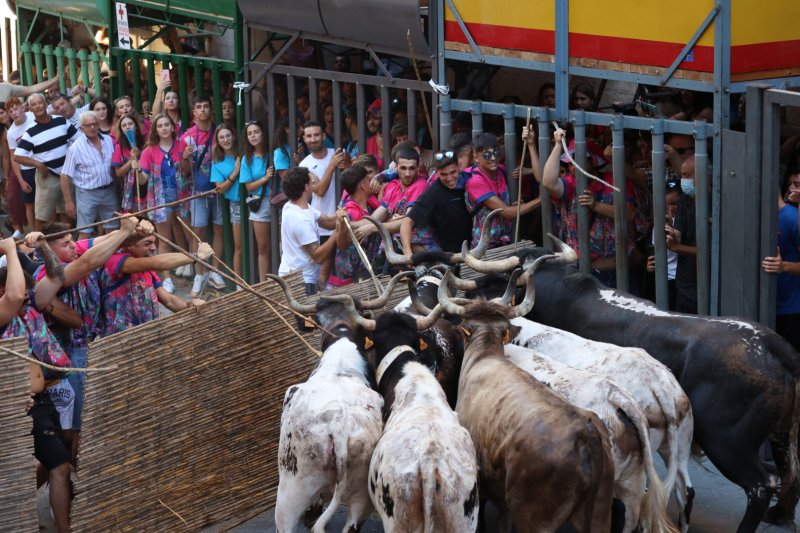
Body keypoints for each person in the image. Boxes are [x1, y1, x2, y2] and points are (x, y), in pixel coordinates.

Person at [97, 230, 212, 336]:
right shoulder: (116, 260)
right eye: (147, 243)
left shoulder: (147, 268)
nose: (153, 247)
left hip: (146, 335)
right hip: (119, 339)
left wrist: (191, 306)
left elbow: (169, 301)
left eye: (154, 242)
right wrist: (197, 256)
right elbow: (158, 262)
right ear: (130, 244)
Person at [136, 112, 192, 294]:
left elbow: (187, 172)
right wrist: (137, 171)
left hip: (182, 196)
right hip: (161, 200)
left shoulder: (181, 145)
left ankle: (186, 262)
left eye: (166, 125)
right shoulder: (148, 151)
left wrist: (185, 158)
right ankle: (166, 278)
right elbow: (143, 180)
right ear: (155, 130)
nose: (164, 129)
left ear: (172, 127)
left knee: (184, 232)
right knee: (165, 239)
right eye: (160, 126)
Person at [13, 93, 79, 228]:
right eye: (34, 104)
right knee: (42, 217)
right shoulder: (30, 132)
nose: (38, 106)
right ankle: (37, 246)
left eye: (40, 103)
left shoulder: (61, 121)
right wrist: (37, 164)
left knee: (67, 214)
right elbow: (17, 156)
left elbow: (79, 140)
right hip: (48, 177)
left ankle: (65, 244)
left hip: (66, 175)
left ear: (45, 104)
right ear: (30, 109)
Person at [182, 96, 226, 295]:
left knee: (218, 228)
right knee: (197, 232)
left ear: (211, 110)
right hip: (198, 191)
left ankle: (214, 270)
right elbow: (183, 171)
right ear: (194, 113)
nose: (202, 110)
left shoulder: (220, 133)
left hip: (219, 188)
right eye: (198, 106)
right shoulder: (188, 137)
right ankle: (199, 273)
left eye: (206, 106)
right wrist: (184, 158)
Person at [466, 132, 539, 249]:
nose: (493, 158)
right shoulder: (475, 181)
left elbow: (540, 176)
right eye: (486, 155)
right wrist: (540, 200)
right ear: (476, 157)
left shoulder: (501, 170)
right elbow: (507, 213)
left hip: (505, 241)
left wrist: (531, 147)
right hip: (485, 247)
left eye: (496, 152)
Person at [278, 167, 342, 295]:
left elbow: (329, 222)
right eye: (311, 180)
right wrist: (336, 235)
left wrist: (342, 211)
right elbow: (317, 256)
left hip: (292, 277)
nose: (314, 182)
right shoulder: (301, 220)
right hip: (300, 283)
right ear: (306, 187)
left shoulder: (293, 205)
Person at [299, 120, 347, 284]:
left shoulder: (337, 153)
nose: (313, 139)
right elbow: (319, 190)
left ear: (324, 136)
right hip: (322, 223)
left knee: (343, 271)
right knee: (324, 273)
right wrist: (332, 166)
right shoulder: (304, 165)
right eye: (309, 136)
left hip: (345, 218)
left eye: (316, 135)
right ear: (304, 139)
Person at [400, 150, 473, 255]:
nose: (450, 179)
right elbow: (407, 222)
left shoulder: (471, 181)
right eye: (444, 174)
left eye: (453, 172)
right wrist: (408, 254)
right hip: (448, 254)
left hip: (475, 247)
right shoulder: (433, 192)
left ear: (459, 166)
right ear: (436, 171)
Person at [761, 160, 800, 351]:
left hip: (792, 309)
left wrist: (783, 266)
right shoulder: (759, 216)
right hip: (768, 306)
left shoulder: (792, 217)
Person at [59, 111, 119, 236]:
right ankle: (82, 255)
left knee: (113, 230)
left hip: (109, 190)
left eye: (94, 124)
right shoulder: (75, 148)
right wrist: (68, 201)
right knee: (85, 231)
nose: (92, 127)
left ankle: (112, 255)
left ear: (98, 124)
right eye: (88, 125)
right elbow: (64, 175)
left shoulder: (109, 140)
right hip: (87, 194)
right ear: (81, 128)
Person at [354, 145, 428, 243]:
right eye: (403, 168)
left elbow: (407, 222)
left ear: (418, 168)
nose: (407, 174)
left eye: (412, 168)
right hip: (397, 247)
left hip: (419, 248)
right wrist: (347, 224)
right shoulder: (393, 187)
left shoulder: (421, 185)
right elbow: (373, 219)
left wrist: (372, 228)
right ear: (396, 167)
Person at [327, 166, 381, 288]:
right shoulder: (350, 212)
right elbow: (341, 244)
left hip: (364, 275)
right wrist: (342, 225)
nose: (371, 182)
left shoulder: (371, 206)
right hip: (351, 281)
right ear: (363, 185)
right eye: (368, 180)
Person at [241, 120, 275, 280]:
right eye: (249, 134)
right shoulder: (246, 159)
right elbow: (248, 187)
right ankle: (263, 283)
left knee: (282, 245)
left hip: (278, 201)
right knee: (263, 247)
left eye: (256, 132)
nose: (253, 136)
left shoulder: (274, 152)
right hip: (260, 204)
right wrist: (265, 178)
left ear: (263, 133)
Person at [666, 156, 698, 313]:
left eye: (687, 175)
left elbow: (708, 251)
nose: (683, 180)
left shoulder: (715, 203)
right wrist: (671, 235)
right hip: (684, 285)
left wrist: (676, 246)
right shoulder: (685, 201)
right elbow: (677, 234)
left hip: (706, 286)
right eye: (682, 175)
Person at [210, 126, 243, 277]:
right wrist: (235, 173)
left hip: (254, 201)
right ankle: (239, 284)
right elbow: (220, 189)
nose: (226, 139)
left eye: (228, 135)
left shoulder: (243, 154)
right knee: (239, 246)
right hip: (236, 204)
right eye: (221, 137)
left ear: (233, 136)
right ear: (218, 141)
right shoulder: (217, 165)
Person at [5, 97, 36, 233]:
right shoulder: (11, 133)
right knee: (29, 203)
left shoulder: (33, 116)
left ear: (23, 107)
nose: (14, 113)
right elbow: (13, 158)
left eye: (16, 108)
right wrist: (21, 180)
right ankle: (34, 232)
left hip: (42, 163)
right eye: (11, 111)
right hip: (26, 169)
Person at [112, 113, 147, 213]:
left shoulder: (145, 144)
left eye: (130, 124)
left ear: (135, 126)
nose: (127, 127)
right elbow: (118, 173)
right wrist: (131, 160)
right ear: (121, 130)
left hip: (147, 185)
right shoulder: (119, 148)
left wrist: (140, 154)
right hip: (131, 191)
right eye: (124, 125)